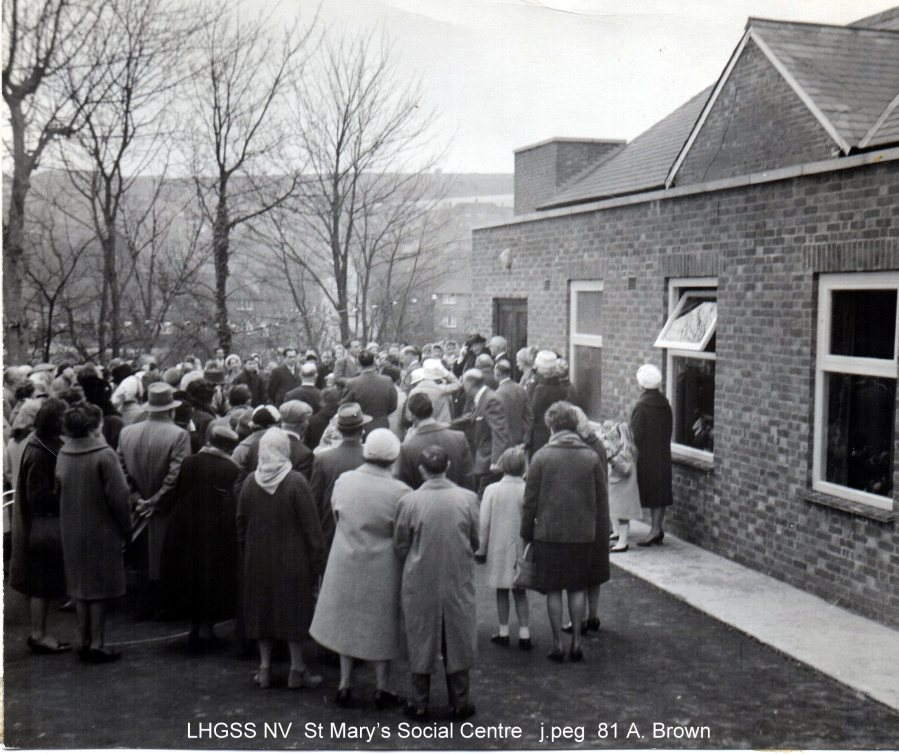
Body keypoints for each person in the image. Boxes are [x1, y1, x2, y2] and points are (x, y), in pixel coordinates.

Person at [310, 429, 411, 709]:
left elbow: (336, 514)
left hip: (346, 558)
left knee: (347, 622)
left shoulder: (345, 481)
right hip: (383, 563)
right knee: (382, 624)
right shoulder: (401, 492)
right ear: (393, 456)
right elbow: (403, 535)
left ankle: (344, 684)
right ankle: (382, 687)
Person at [394, 445, 479, 721]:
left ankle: (419, 703)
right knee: (458, 635)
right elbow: (476, 540)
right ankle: (460, 702)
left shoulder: (409, 502)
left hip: (420, 578)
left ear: (421, 470)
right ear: (449, 465)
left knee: (421, 636)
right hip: (456, 576)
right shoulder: (468, 498)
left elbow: (400, 544)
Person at [237, 429, 325, 689]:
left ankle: (264, 669)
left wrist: (247, 551)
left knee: (262, 610)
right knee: (293, 611)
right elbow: (312, 527)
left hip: (258, 558)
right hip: (293, 559)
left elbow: (240, 521)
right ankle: (296, 670)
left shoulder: (250, 482)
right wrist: (318, 560)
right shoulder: (296, 482)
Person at [521, 401, 609, 663]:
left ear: (552, 426)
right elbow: (601, 501)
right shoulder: (591, 457)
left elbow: (531, 502)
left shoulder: (541, 457)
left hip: (548, 534)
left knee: (553, 590)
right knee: (577, 588)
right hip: (582, 534)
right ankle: (577, 643)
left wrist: (528, 530)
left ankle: (558, 644)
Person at [57, 403, 132, 663]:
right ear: (94, 426)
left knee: (80, 587)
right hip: (102, 529)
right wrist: (126, 528)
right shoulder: (105, 454)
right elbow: (120, 497)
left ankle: (83, 639)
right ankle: (98, 643)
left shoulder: (64, 453)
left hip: (71, 528)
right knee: (99, 588)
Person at [162, 425, 241, 651]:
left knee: (189, 577)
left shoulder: (190, 462)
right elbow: (226, 501)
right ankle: (207, 630)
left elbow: (179, 491)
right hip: (213, 532)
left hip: (185, 528)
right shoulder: (229, 468)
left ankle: (193, 628)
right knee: (211, 580)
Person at [117, 382, 191, 619]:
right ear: (170, 410)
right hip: (164, 507)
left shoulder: (126, 432)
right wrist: (156, 500)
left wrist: (138, 498)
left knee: (142, 558)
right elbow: (177, 473)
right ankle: (162, 605)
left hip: (138, 506)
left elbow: (121, 470)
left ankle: (143, 603)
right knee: (162, 555)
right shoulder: (179, 434)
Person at [9, 398, 70, 654]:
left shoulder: (39, 444)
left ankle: (40, 633)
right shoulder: (40, 452)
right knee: (41, 584)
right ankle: (39, 634)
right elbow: (39, 498)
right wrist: (66, 491)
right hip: (41, 528)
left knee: (41, 583)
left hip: (37, 528)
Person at [475, 446, 531, 651]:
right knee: (520, 590)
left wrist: (481, 548)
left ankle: (504, 630)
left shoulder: (492, 490)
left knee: (501, 590)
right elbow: (534, 518)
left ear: (502, 466)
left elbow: (484, 522)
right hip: (521, 546)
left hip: (498, 546)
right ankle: (525, 632)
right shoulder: (528, 489)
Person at [309, 403, 368, 549]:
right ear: (362, 430)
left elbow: (315, 500)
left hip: (332, 529)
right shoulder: (371, 457)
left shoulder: (323, 459)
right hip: (364, 528)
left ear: (339, 430)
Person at [631, 364, 673, 546]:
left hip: (646, 457)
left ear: (642, 384)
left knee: (650, 491)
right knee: (660, 492)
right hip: (662, 454)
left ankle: (654, 530)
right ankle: (657, 528)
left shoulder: (641, 407)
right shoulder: (665, 404)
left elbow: (635, 435)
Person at [398, 393, 473, 490]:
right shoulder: (459, 438)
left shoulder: (407, 447)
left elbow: (406, 487)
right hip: (459, 501)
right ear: (433, 409)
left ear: (411, 416)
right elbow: (468, 480)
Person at [455, 368, 510, 496]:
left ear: (470, 383)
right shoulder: (482, 398)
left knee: (482, 498)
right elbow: (472, 416)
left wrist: (496, 461)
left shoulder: (490, 399)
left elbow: (500, 431)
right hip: (482, 460)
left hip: (488, 463)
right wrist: (448, 424)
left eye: (463, 383)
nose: (462, 386)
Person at [599, 420, 643, 552]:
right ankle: (619, 538)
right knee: (619, 514)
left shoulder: (625, 453)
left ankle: (622, 543)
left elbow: (625, 470)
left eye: (616, 436)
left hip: (623, 489)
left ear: (621, 437)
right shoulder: (628, 450)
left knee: (623, 516)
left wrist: (611, 460)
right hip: (621, 488)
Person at [528, 350, 577, 455]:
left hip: (540, 434)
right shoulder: (561, 387)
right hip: (556, 431)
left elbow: (533, 413)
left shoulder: (540, 389)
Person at [341, 351, 397, 431]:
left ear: (358, 363)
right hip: (381, 425)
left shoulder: (352, 383)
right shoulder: (387, 381)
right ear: (374, 362)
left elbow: (346, 408)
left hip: (360, 427)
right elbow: (393, 406)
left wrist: (358, 415)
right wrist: (381, 414)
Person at [406, 359, 461, 425]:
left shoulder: (413, 392)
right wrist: (445, 373)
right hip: (442, 427)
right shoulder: (440, 389)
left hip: (422, 429)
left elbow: (409, 416)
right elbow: (458, 384)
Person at [494, 360, 531, 446]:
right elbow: (529, 415)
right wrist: (526, 434)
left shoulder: (497, 394)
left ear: (497, 374)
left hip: (504, 441)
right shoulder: (521, 389)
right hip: (520, 438)